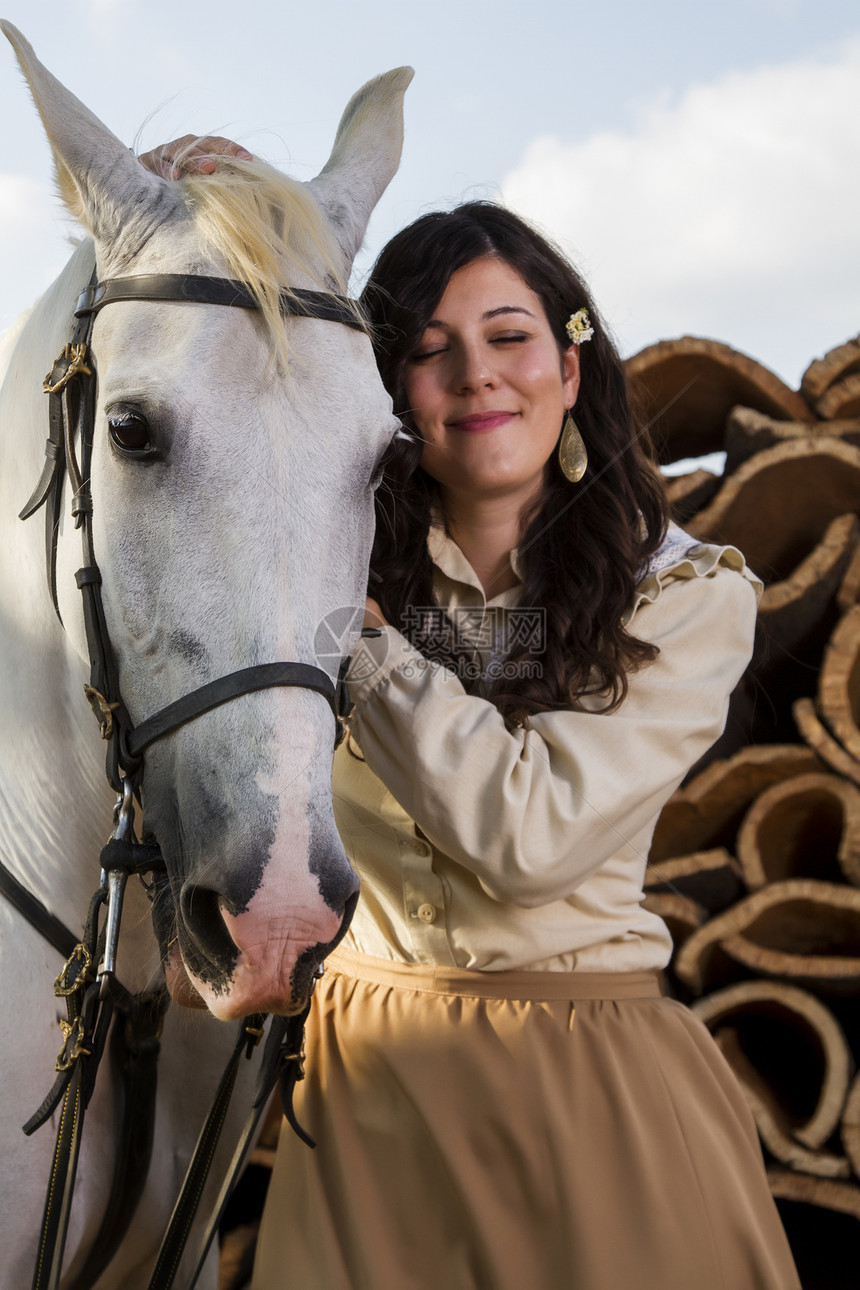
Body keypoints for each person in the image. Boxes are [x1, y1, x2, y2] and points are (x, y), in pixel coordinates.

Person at [143, 141, 801, 1290]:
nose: (476, 378)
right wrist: (244, 216)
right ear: (387, 388)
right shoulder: (317, 581)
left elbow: (528, 839)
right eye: (428, 351)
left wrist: (356, 645)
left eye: (508, 338)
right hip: (362, 1109)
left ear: (571, 359)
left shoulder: (690, 598)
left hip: (590, 1098)